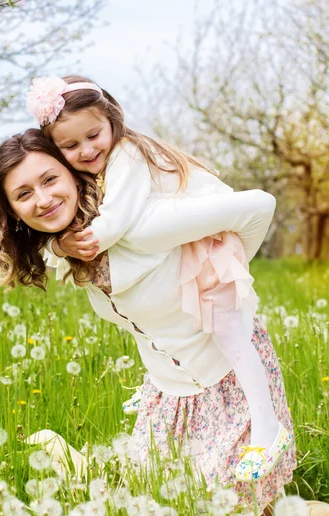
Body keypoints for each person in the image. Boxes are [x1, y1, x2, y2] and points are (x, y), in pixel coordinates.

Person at [0, 128, 296, 516]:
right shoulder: (70, 244)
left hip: (230, 382)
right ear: (12, 210)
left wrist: (224, 274)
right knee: (157, 512)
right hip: (168, 396)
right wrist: (56, 244)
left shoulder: (146, 224)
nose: (43, 199)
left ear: (72, 174)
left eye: (49, 179)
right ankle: (66, 456)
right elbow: (52, 249)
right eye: (24, 194)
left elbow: (259, 206)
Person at [25, 75, 294, 483]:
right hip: (189, 274)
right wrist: (58, 247)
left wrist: (77, 243)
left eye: (93, 135)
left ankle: (265, 425)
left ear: (113, 120)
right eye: (71, 146)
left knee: (231, 334)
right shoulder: (95, 176)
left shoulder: (128, 154)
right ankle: (158, 387)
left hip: (207, 249)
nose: (86, 150)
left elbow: (117, 220)